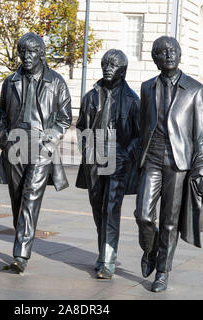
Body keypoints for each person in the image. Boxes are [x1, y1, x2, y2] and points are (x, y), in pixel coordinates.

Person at [135, 36, 203, 292]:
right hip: (152, 158)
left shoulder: (195, 89)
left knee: (169, 221)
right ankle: (150, 249)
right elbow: (142, 125)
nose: (168, 55)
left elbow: (201, 136)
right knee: (143, 215)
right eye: (162, 52)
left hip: (179, 162)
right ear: (155, 58)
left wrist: (200, 165)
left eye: (173, 50)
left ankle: (163, 272)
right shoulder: (147, 88)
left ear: (180, 54)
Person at [0, 32, 72, 274]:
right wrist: (5, 135)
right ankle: (22, 242)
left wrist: (50, 140)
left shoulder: (56, 82)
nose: (27, 57)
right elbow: (2, 113)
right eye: (23, 52)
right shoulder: (11, 81)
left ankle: (21, 254)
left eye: (32, 52)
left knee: (30, 197)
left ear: (41, 54)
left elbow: (64, 118)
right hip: (15, 145)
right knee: (17, 198)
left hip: (41, 146)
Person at [75, 49, 140, 279]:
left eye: (113, 65)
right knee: (97, 207)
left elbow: (138, 135)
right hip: (93, 157)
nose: (107, 68)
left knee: (111, 208)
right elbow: (81, 125)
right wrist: (85, 148)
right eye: (105, 64)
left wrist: (125, 153)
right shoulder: (91, 95)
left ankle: (108, 261)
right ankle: (104, 251)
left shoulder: (132, 100)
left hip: (117, 158)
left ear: (122, 71)